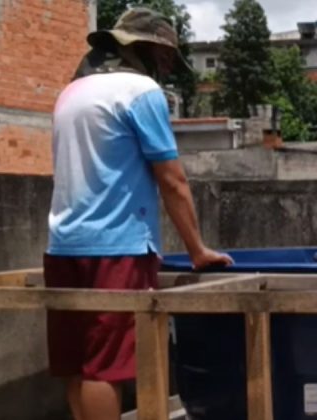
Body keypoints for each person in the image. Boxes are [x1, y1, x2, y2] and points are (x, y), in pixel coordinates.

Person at [45, 8, 232, 420]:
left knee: (76, 364)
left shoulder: (71, 92)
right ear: (145, 50)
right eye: (165, 58)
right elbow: (172, 179)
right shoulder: (140, 91)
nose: (166, 69)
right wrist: (197, 249)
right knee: (105, 367)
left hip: (62, 246)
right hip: (115, 247)